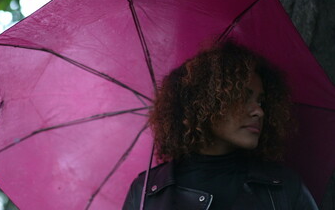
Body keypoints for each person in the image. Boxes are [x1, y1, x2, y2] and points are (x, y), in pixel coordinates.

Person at [122, 41, 318, 210]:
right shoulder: (146, 192)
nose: (259, 111)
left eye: (260, 101)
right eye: (242, 97)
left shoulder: (283, 188)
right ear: (205, 103)